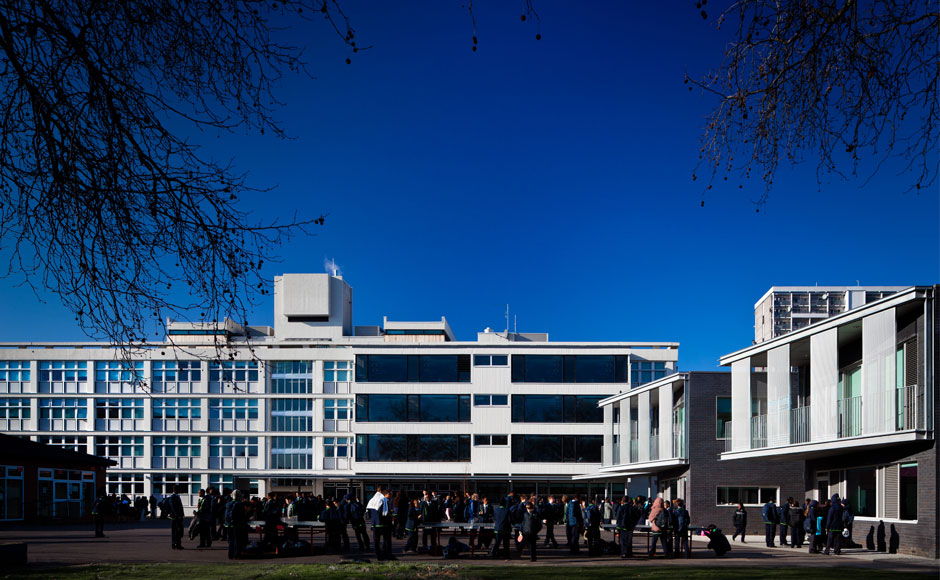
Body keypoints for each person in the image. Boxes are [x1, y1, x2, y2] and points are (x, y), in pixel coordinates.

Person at [367, 486, 394, 560]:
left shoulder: (372, 500)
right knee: (386, 540)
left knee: (376, 541)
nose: (391, 496)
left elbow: (368, 512)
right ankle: (387, 555)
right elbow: (384, 513)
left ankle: (378, 555)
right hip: (383, 524)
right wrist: (390, 515)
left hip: (374, 523)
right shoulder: (383, 500)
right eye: (391, 494)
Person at [224, 490, 248, 559]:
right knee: (237, 540)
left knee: (230, 540)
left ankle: (230, 555)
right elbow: (242, 515)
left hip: (228, 525)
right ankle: (237, 555)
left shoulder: (228, 504)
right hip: (237, 525)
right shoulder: (240, 504)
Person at [168, 485, 186, 550]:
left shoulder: (176, 497)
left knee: (177, 530)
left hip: (178, 516)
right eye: (178, 489)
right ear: (175, 490)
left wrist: (182, 514)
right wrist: (177, 515)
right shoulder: (173, 497)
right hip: (176, 517)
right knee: (177, 530)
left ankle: (175, 543)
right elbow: (173, 507)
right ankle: (177, 544)